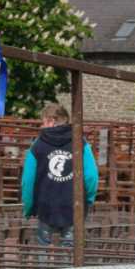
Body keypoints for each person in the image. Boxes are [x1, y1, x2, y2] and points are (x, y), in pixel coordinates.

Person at [21, 103, 98, 247]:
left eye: (43, 122)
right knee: (71, 251)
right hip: (74, 205)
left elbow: (28, 180)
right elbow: (91, 176)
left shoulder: (37, 145)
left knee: (42, 249)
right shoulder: (81, 143)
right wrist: (88, 199)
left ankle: (43, 268)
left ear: (51, 120)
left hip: (45, 205)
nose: (42, 126)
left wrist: (29, 206)